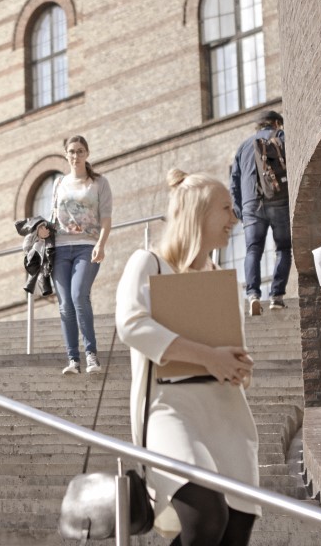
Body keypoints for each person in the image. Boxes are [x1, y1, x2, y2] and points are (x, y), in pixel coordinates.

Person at [116, 168, 259, 546]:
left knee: (235, 530)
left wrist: (239, 368)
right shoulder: (147, 262)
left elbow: (232, 352)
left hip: (226, 414)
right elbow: (131, 325)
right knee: (206, 516)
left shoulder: (219, 277)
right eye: (226, 209)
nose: (235, 219)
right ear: (198, 213)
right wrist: (208, 357)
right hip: (170, 411)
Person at [37, 135, 112, 375]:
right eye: (71, 151)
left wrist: (101, 244)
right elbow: (54, 215)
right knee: (65, 304)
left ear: (87, 154)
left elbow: (106, 217)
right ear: (66, 154)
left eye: (80, 151)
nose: (76, 155)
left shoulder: (98, 183)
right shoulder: (59, 183)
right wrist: (42, 231)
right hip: (60, 247)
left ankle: (91, 355)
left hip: (86, 246)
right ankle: (73, 359)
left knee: (79, 295)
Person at [229, 110, 291, 315]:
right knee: (283, 248)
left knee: (252, 250)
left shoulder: (243, 147)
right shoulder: (281, 137)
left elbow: (234, 183)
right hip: (279, 199)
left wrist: (240, 210)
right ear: (275, 123)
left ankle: (253, 295)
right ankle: (277, 297)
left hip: (250, 205)